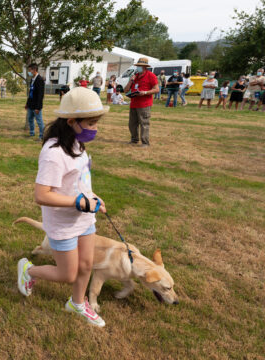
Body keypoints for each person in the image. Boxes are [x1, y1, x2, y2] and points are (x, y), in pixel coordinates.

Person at [17, 86, 108, 328]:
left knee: (87, 265)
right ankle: (29, 270)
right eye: (90, 123)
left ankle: (77, 303)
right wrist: (77, 202)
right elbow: (41, 195)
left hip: (84, 219)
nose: (95, 128)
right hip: (63, 223)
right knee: (67, 274)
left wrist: (92, 197)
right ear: (71, 121)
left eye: (97, 122)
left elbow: (81, 181)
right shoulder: (53, 153)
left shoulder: (78, 145)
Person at [125, 57, 159, 147]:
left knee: (144, 123)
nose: (138, 67)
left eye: (140, 66)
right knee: (132, 124)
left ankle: (145, 142)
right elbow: (125, 90)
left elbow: (156, 89)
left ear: (145, 67)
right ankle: (134, 139)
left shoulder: (151, 76)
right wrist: (131, 81)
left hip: (144, 104)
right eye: (138, 66)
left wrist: (145, 92)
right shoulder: (134, 77)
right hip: (134, 103)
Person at [25, 63, 45, 141]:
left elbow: (40, 95)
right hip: (31, 104)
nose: (29, 72)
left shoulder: (40, 80)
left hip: (36, 105)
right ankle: (32, 133)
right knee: (30, 119)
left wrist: (38, 107)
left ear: (34, 70)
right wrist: (27, 103)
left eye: (30, 70)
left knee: (39, 121)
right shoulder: (32, 80)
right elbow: (30, 92)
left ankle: (42, 136)